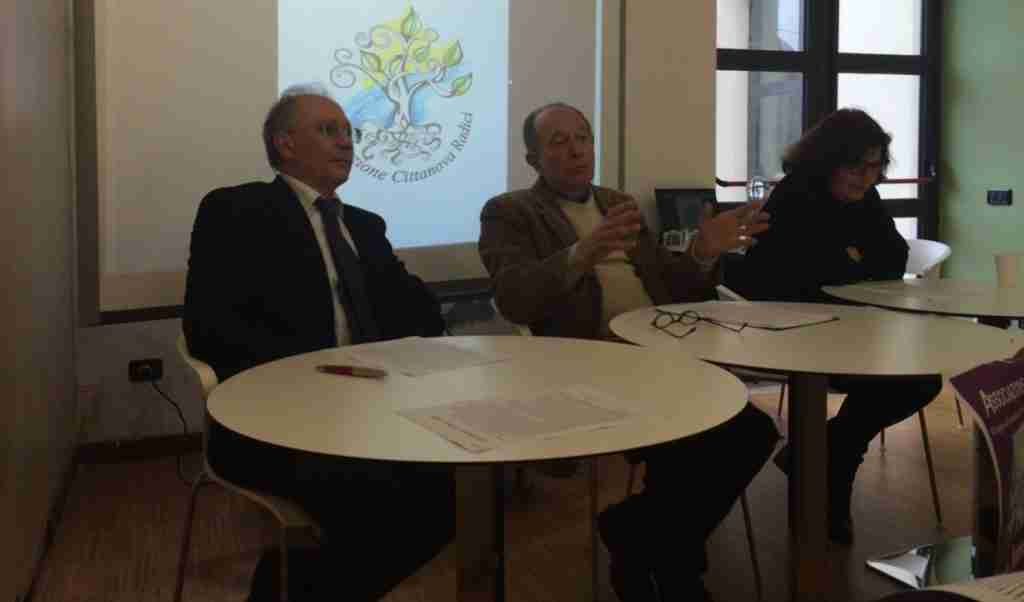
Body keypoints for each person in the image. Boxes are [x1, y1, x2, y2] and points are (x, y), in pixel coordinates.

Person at [478, 102, 779, 601]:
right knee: (690, 443)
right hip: (588, 365)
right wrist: (582, 252)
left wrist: (703, 251)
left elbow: (672, 288)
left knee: (751, 431)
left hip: (660, 355)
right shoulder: (510, 212)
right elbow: (514, 297)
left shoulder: (617, 203)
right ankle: (674, 564)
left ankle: (635, 531)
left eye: (583, 137)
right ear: (533, 158)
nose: (576, 150)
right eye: (558, 142)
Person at [183, 84, 451, 601]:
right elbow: (211, 329)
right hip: (278, 420)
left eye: (349, 132)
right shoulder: (236, 211)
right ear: (284, 144)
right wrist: (317, 382)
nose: (346, 142)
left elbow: (421, 315)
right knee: (387, 506)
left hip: (374, 409)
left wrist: (391, 285)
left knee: (453, 494)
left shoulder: (363, 227)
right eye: (329, 130)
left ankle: (286, 584)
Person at [727, 108, 943, 544]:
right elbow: (814, 275)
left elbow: (892, 259)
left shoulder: (865, 198)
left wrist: (850, 261)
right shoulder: (795, 196)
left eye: (874, 167)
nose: (866, 177)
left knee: (921, 379)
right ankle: (830, 466)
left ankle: (826, 456)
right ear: (827, 160)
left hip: (851, 327)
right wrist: (853, 261)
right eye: (856, 166)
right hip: (789, 332)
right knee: (900, 380)